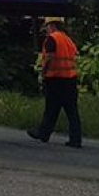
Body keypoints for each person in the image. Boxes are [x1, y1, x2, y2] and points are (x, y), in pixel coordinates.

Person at [26, 17, 82, 148]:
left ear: (51, 25)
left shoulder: (52, 39)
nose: (46, 29)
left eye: (47, 26)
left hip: (56, 79)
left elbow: (50, 57)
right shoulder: (67, 39)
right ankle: (75, 139)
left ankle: (43, 133)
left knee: (51, 108)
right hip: (70, 79)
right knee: (71, 111)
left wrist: (44, 72)